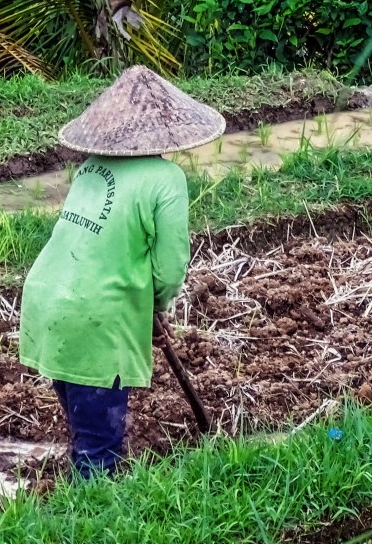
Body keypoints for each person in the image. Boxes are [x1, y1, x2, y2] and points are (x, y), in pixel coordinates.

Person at [18, 65, 225, 478]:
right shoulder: (166, 178)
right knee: (100, 452)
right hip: (98, 319)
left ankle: (71, 508)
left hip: (48, 303)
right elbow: (170, 266)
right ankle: (89, 529)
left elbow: (93, 243)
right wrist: (157, 306)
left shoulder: (89, 168)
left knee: (85, 427)